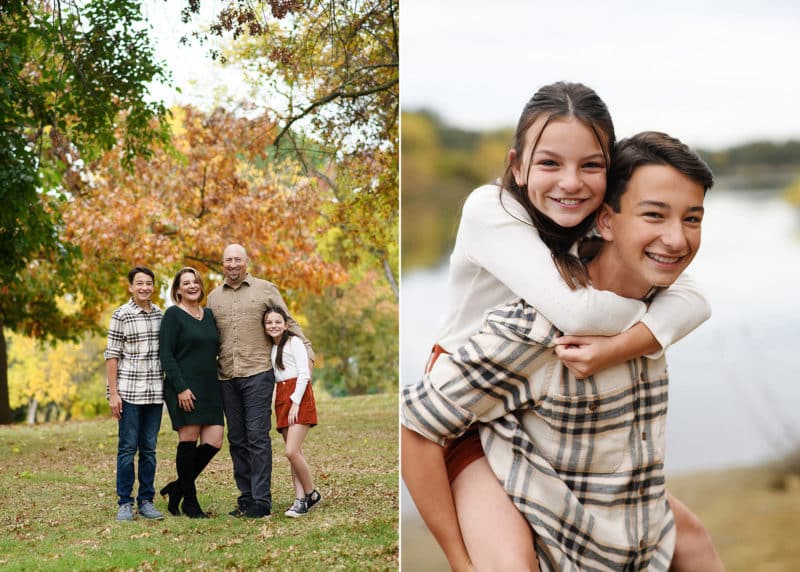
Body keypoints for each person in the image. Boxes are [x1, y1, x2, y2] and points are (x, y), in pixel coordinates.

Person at [400, 82, 721, 571]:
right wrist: (643, 326)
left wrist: (627, 340)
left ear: (609, 176)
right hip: (466, 414)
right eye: (550, 163)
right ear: (517, 165)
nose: (571, 182)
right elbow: (573, 316)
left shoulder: (592, 224)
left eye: (591, 166)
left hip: (528, 404)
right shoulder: (492, 211)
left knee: (686, 537)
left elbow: (694, 297)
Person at [206, 244, 314, 519]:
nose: (233, 264)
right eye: (228, 260)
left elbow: (288, 322)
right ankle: (246, 498)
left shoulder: (265, 289)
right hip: (227, 376)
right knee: (237, 439)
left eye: (237, 260)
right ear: (222, 263)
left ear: (246, 261)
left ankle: (261, 501)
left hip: (258, 374)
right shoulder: (213, 298)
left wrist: (307, 350)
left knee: (257, 437)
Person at [158, 267, 223, 518]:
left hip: (210, 387)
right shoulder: (173, 315)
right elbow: (166, 354)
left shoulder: (208, 315)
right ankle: (190, 502)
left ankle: (176, 489)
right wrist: (181, 388)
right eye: (186, 283)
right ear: (177, 290)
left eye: (195, 282)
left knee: (215, 441)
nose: (192, 286)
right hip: (183, 387)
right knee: (189, 441)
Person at [104, 266, 165, 522]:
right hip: (129, 393)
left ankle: (146, 500)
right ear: (131, 286)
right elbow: (112, 355)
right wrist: (113, 393)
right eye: (139, 283)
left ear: (153, 286)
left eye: (148, 283)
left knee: (149, 450)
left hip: (154, 394)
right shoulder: (122, 314)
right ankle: (125, 502)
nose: (144, 287)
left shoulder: (160, 315)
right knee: (128, 449)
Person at [263, 306, 322, 517]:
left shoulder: (294, 342)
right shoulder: (272, 348)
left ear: (286, 324)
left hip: (298, 396)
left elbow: (304, 374)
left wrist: (295, 402)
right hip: (281, 398)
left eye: (277, 322)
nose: (273, 326)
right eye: (269, 322)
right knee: (294, 453)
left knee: (291, 451)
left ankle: (311, 493)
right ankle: (300, 500)